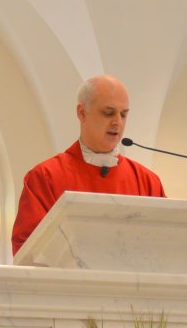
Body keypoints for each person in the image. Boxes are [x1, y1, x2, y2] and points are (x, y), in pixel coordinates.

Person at [10, 75, 166, 254]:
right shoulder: (46, 178)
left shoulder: (147, 182)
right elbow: (28, 250)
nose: (118, 122)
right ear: (81, 113)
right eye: (108, 113)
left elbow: (168, 244)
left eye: (123, 114)